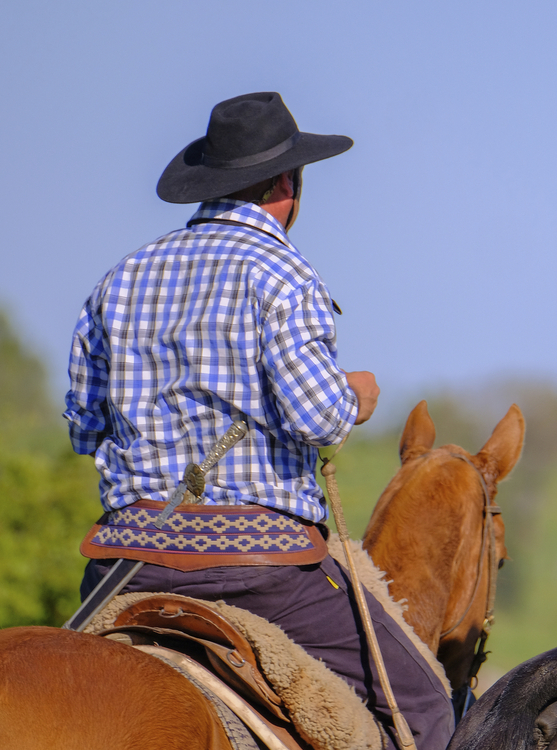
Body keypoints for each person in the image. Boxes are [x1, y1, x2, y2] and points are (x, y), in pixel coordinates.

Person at [65, 92, 454, 750]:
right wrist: (354, 394)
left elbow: (84, 424)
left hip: (124, 563)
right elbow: (319, 419)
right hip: (260, 569)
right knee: (426, 708)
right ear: (285, 184)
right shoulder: (283, 275)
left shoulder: (120, 277)